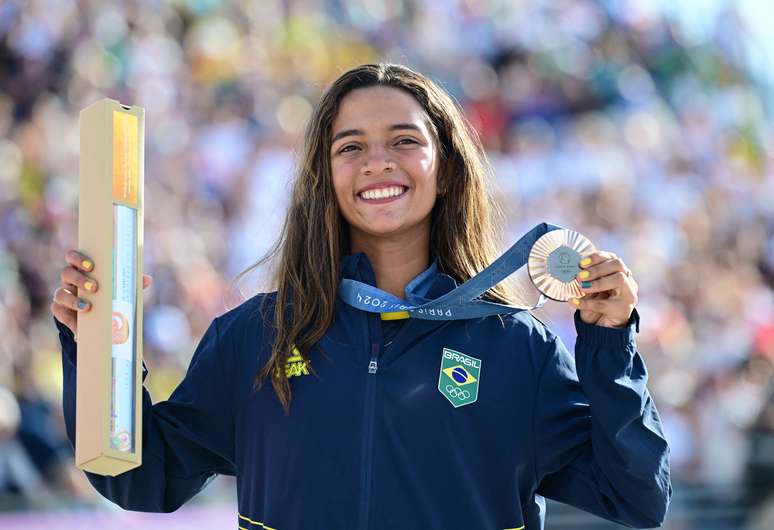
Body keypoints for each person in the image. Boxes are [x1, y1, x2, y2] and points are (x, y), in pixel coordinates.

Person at [51, 63, 671, 529]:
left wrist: (609, 345)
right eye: (351, 146)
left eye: (405, 140)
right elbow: (141, 477)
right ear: (326, 176)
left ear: (447, 166)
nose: (378, 161)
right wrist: (98, 342)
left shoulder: (515, 347)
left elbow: (637, 497)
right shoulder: (255, 337)